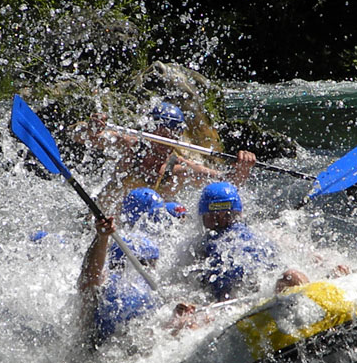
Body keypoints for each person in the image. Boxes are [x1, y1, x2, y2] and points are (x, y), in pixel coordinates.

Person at [72, 101, 257, 212]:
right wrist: (92, 128)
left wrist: (243, 168)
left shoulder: (178, 170)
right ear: (149, 130)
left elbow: (228, 183)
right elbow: (78, 136)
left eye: (172, 136)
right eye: (161, 134)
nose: (165, 143)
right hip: (104, 220)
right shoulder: (127, 147)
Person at [78, 216, 158, 346]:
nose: (153, 268)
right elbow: (90, 275)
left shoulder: (154, 294)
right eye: (150, 263)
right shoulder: (105, 290)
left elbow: (89, 276)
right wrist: (102, 238)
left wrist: (102, 238)